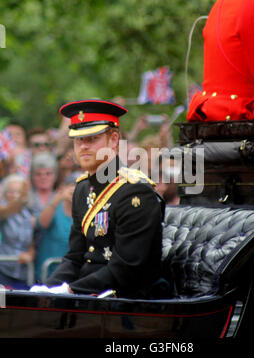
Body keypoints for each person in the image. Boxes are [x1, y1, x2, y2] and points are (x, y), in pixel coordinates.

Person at [30, 99, 166, 298]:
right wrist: (46, 289)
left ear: (113, 140)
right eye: (78, 140)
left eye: (92, 139)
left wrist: (69, 291)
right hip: (89, 295)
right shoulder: (82, 187)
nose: (83, 146)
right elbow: (75, 257)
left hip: (127, 300)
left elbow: (127, 268)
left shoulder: (136, 191)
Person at [34, 171, 80, 282]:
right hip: (47, 272)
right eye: (71, 185)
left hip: (73, 274)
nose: (74, 190)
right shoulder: (55, 206)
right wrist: (59, 198)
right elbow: (41, 223)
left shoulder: (86, 211)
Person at [0, 174, 35, 289]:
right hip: (3, 270)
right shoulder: (4, 210)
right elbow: (7, 211)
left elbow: (32, 242)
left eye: (18, 192)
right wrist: (20, 198)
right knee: (3, 304)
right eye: (11, 191)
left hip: (23, 272)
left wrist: (30, 254)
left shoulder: (28, 214)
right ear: (4, 193)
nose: (15, 195)